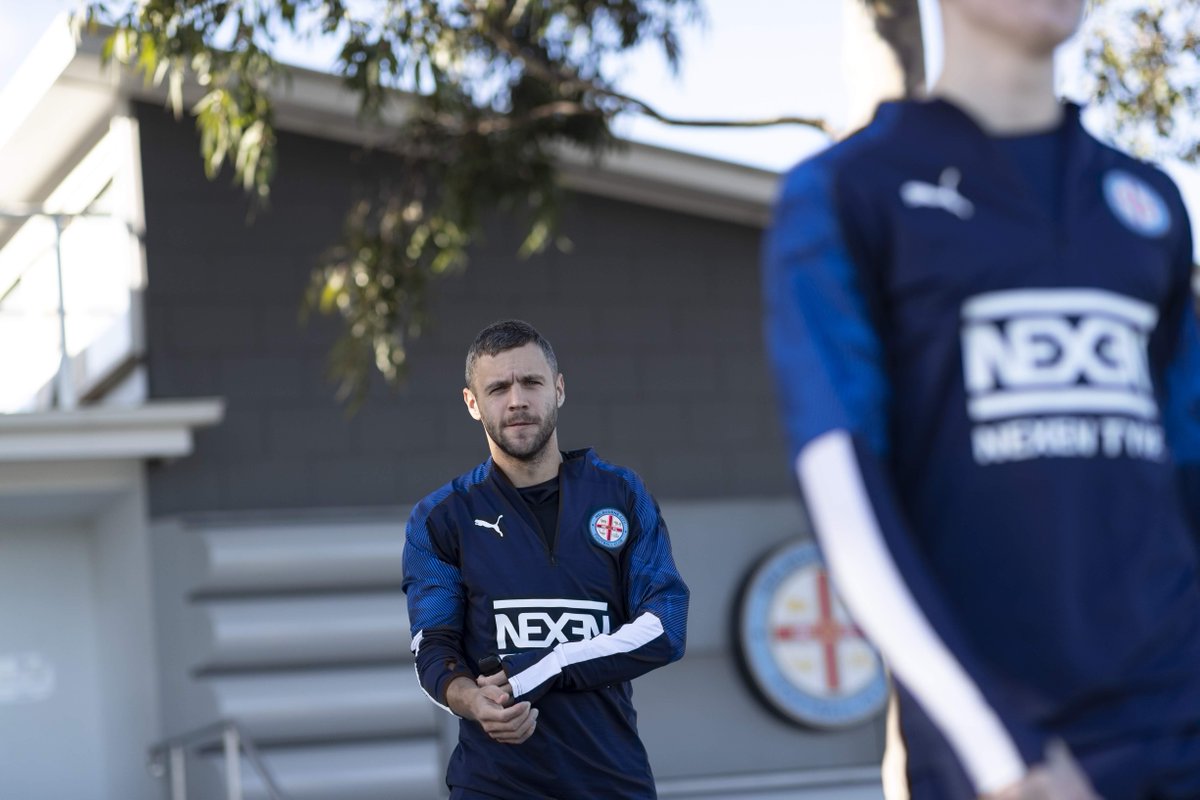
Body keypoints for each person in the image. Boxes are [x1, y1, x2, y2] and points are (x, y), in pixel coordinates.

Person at [763, 1, 1200, 798]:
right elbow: (845, 494)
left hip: (1178, 725)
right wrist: (1003, 754)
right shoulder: (845, 193)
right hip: (1013, 762)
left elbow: (1186, 468)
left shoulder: (1149, 202)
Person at [401, 319, 689, 799]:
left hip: (610, 782)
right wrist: (474, 700)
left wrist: (546, 666)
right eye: (497, 388)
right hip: (494, 785)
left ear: (558, 389)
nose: (516, 400)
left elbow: (667, 626)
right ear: (473, 403)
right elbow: (433, 647)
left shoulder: (620, 494)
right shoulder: (442, 518)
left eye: (531, 382)